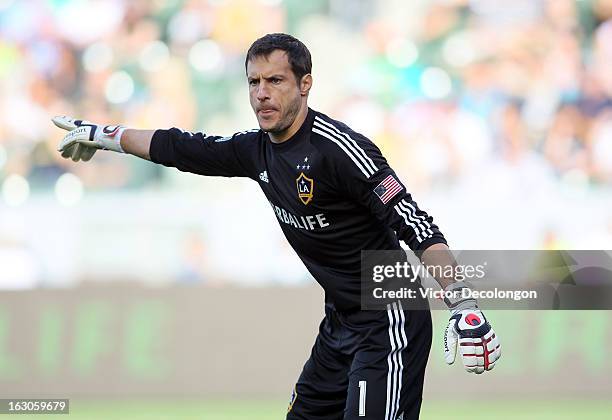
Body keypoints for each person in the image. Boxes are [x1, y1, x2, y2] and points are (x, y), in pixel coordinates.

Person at [52, 33, 500, 420]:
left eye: (275, 81)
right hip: (341, 322)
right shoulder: (256, 151)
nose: (262, 94)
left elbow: (414, 222)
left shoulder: (340, 150)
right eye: (253, 82)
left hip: (390, 318)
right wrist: (105, 136)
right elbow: (179, 147)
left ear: (305, 85)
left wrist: (462, 301)